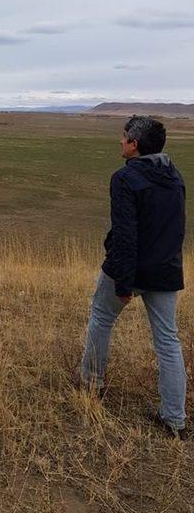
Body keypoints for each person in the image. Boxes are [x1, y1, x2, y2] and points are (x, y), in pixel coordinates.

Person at [79, 115, 187, 438]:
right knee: (168, 341)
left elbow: (126, 235)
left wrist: (124, 283)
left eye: (124, 137)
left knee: (101, 316)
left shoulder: (124, 179)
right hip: (166, 270)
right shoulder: (175, 177)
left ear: (134, 145)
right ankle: (175, 420)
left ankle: (91, 386)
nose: (121, 141)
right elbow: (175, 230)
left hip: (131, 268)